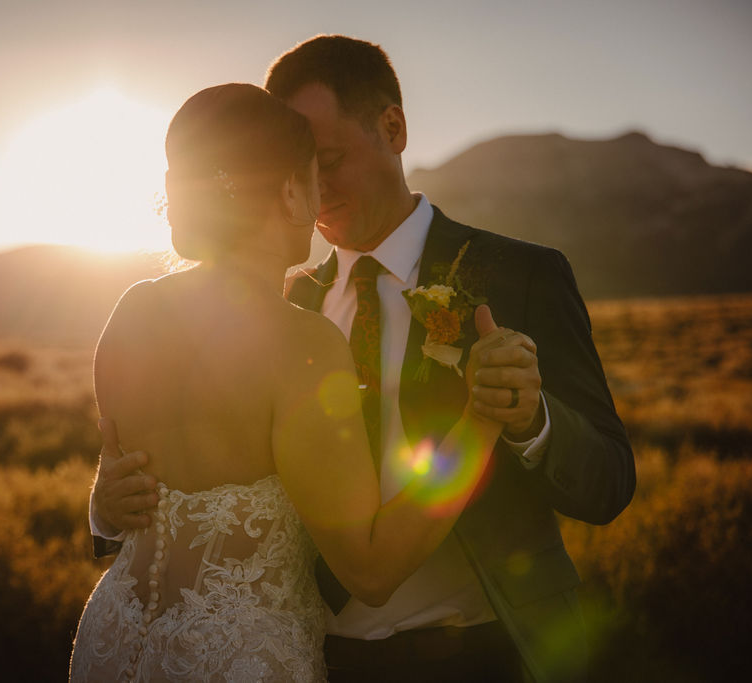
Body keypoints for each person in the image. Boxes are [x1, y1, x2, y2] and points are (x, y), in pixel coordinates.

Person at [91, 37, 636, 682]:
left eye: (330, 159)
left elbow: (609, 481)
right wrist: (106, 506)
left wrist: (527, 418)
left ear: (394, 127)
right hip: (325, 658)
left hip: (494, 653)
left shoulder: (522, 275)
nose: (318, 191)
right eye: (303, 167)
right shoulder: (284, 307)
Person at [69, 82, 516, 682]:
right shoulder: (298, 342)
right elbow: (371, 570)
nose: (321, 196)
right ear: (287, 191)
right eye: (313, 176)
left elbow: (136, 479)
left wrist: (102, 505)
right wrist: (482, 421)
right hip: (235, 661)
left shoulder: (131, 310)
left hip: (116, 639)